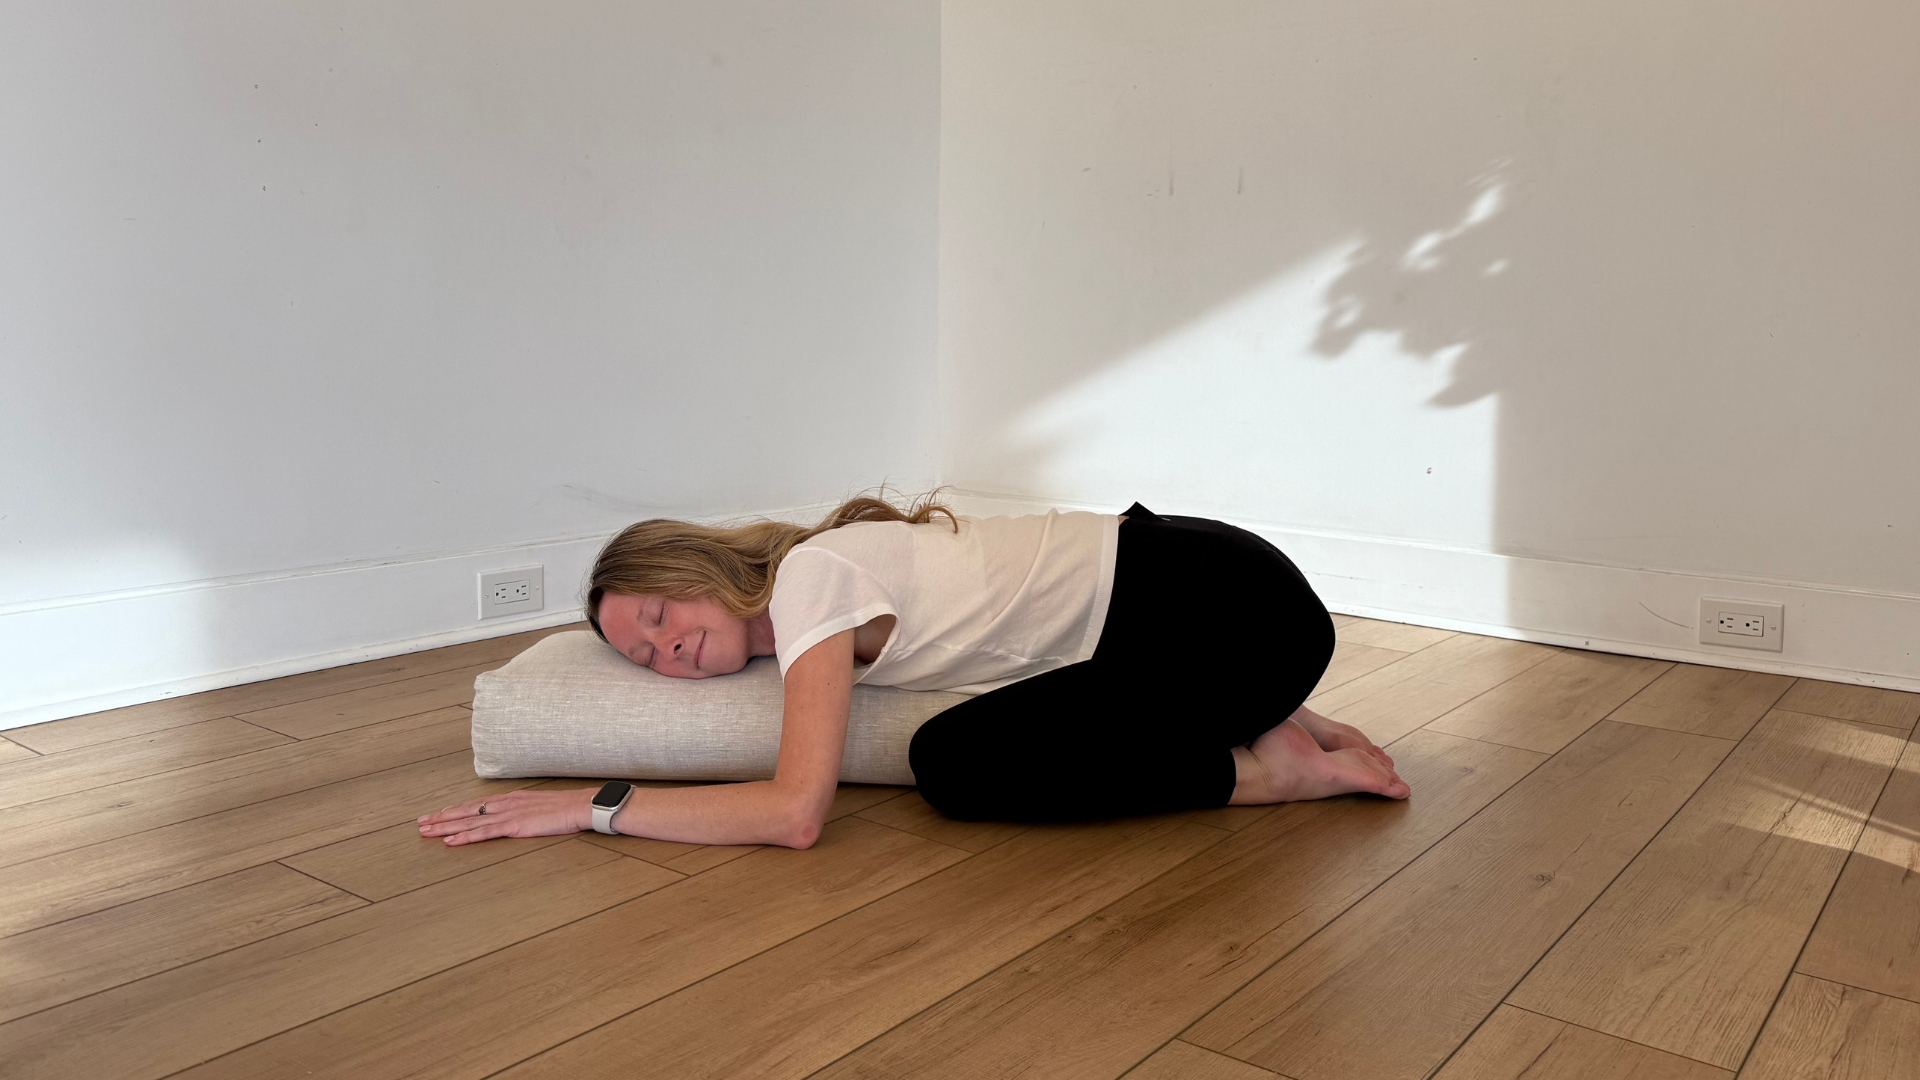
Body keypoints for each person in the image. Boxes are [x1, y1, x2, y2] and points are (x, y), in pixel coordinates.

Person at [420, 494, 1409, 849]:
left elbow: (793, 814)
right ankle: (1278, 719)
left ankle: (1267, 771)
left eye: (658, 614)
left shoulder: (811, 581)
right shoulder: (814, 597)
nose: (664, 648)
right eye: (643, 655)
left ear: (697, 571)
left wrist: (589, 807)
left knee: (957, 764)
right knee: (977, 739)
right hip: (1211, 601)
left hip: (1231, 609)